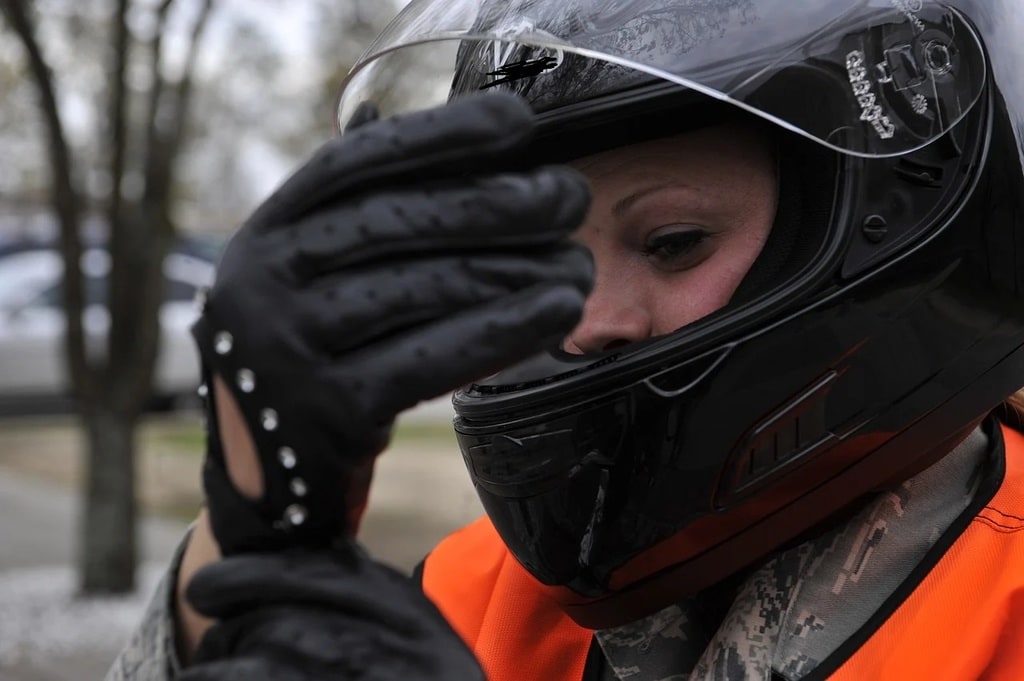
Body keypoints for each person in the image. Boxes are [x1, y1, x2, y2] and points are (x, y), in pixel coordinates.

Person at [108, 0, 1024, 679]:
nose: (583, 323)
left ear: (886, 225)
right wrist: (255, 536)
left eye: (671, 242)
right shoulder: (476, 599)